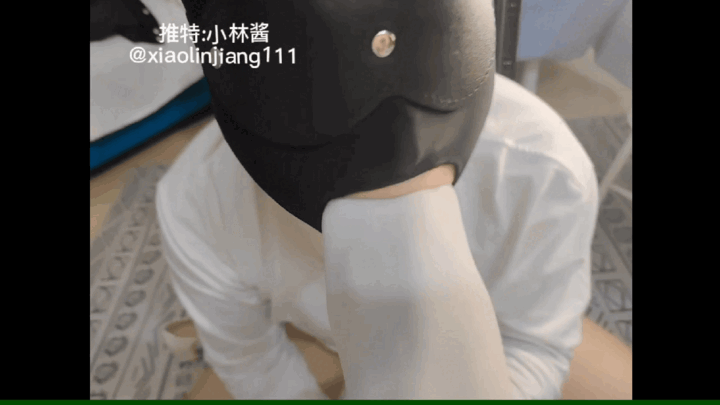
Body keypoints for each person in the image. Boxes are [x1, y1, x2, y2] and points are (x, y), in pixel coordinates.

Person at [155, 0, 629, 399]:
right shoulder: (197, 202)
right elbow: (252, 362)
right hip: (310, 329)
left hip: (496, 321)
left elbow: (536, 344)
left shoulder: (544, 169)